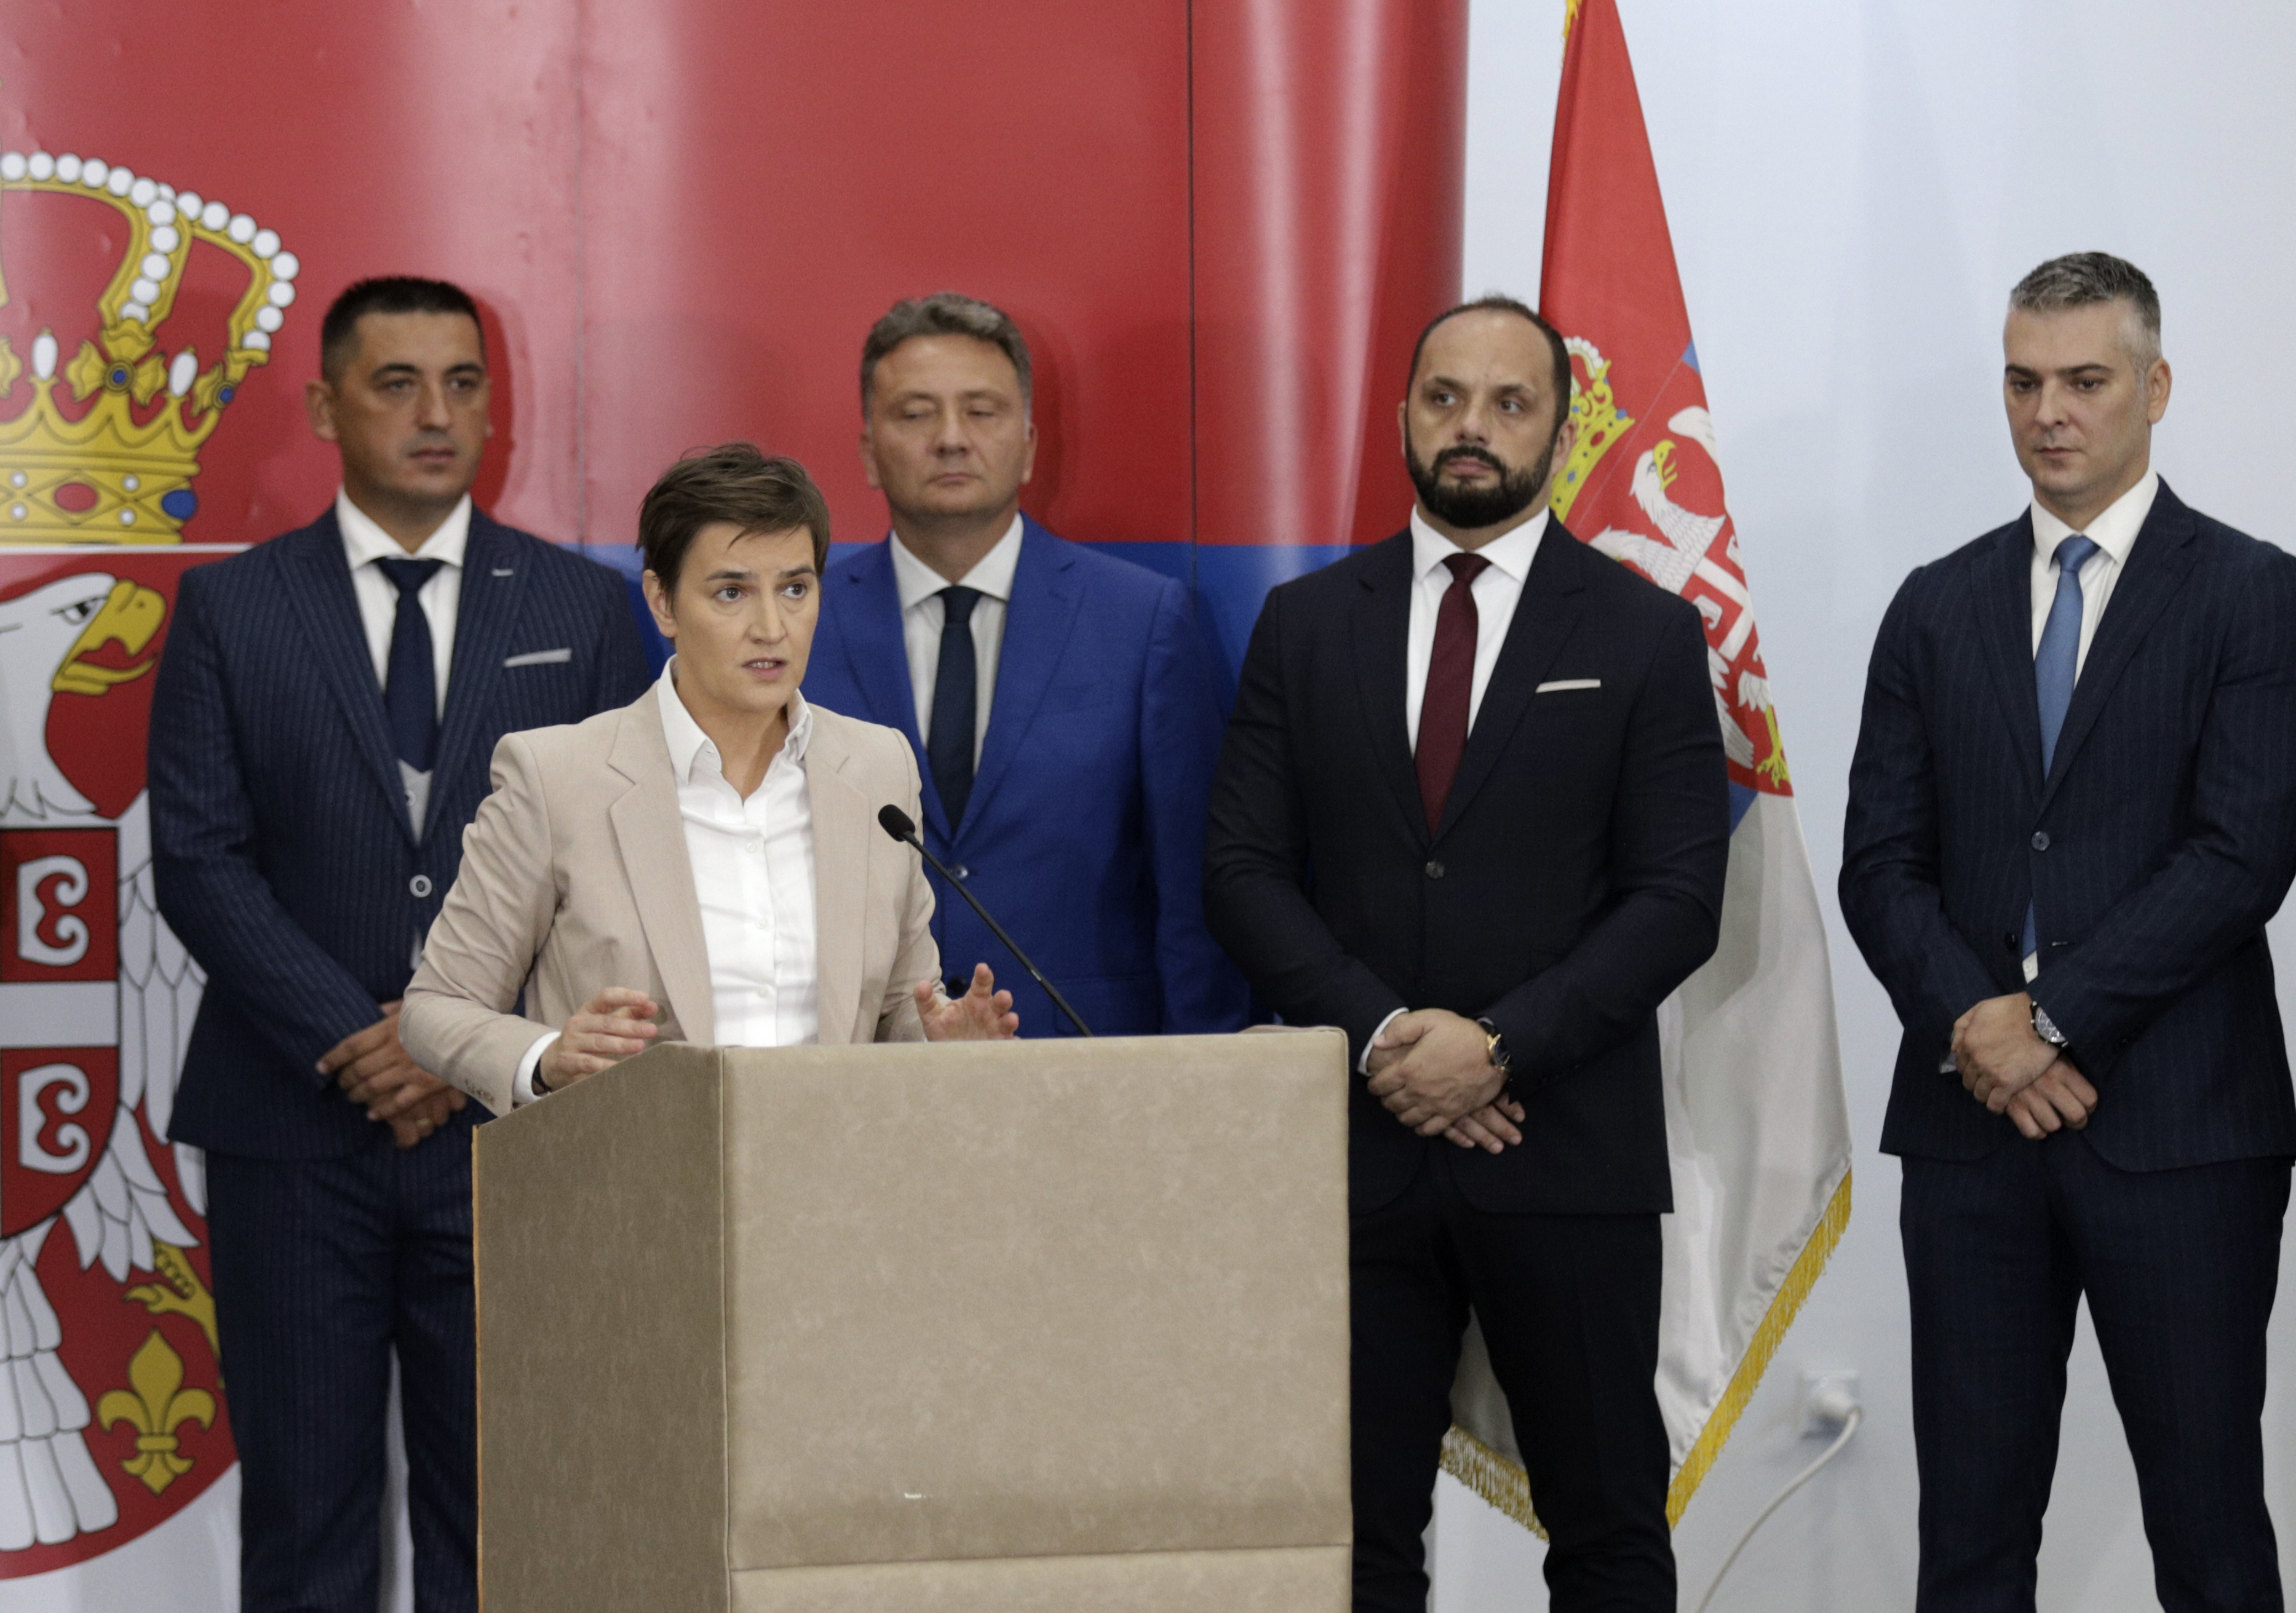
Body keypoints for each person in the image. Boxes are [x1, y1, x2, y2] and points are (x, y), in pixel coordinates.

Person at [1203, 295, 1731, 1612]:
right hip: (1357, 1156)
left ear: (1561, 427)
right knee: (1350, 1540)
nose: (1473, 429)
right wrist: (1393, 1043)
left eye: (1508, 403)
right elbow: (1243, 872)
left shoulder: (1646, 633)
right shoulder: (1305, 623)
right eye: (1446, 399)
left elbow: (1676, 899)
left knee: (1609, 1531)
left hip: (1565, 1153)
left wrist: (1497, 1051)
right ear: (1402, 417)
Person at [149, 275, 649, 1612]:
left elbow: (614, 872)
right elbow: (199, 863)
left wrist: (456, 1048)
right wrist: (356, 1036)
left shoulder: (582, 610)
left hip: (509, 1141)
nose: (437, 415)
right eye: (396, 383)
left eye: (465, 383)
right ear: (324, 406)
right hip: (292, 1130)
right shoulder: (234, 609)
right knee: (308, 1524)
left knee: (507, 1514)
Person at [1841, 253, 2296, 1612]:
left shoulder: (2254, 596)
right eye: (2024, 381)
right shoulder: (1934, 602)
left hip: (2185, 1135)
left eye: (2085, 381)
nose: (2050, 412)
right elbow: (1880, 865)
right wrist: (1983, 1032)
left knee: (2209, 1528)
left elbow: (2242, 855)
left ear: (2153, 388)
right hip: (1972, 1139)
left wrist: (2046, 1019)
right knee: (1970, 1542)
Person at [400, 445, 1017, 1112]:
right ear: (662, 603)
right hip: (638, 1195)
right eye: (731, 592)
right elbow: (438, 1007)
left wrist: (942, 1045)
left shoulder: (876, 769)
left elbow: (896, 1007)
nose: (771, 627)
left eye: (794, 588)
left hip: (834, 1193)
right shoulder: (557, 778)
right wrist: (546, 1060)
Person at [801, 293, 1247, 1037]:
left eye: (982, 411)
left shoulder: (1142, 621)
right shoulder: (802, 627)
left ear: (1031, 443)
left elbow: (1194, 898)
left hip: (1084, 1068)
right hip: (857, 1071)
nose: (950, 439)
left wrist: (1198, 1090)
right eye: (915, 414)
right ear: (869, 452)